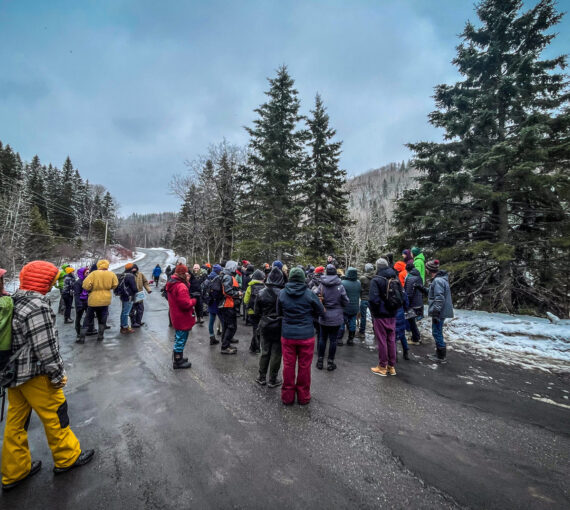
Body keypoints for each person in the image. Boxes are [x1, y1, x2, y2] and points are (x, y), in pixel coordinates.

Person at [1, 261, 94, 491]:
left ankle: (14, 470)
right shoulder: (37, 306)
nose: (53, 284)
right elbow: (45, 347)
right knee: (57, 414)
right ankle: (67, 457)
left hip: (14, 375)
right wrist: (57, 373)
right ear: (42, 281)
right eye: (51, 280)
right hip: (35, 374)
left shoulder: (14, 299)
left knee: (16, 422)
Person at [278, 267, 324, 405]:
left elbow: (278, 311)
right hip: (306, 335)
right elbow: (321, 311)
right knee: (304, 367)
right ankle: (303, 397)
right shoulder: (309, 294)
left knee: (288, 366)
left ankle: (287, 396)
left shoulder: (282, 293)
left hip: (288, 335)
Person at [368, 258, 401, 376]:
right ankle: (391, 366)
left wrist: (374, 310)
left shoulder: (376, 280)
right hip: (392, 313)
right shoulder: (394, 278)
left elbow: (373, 299)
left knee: (382, 340)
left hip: (380, 314)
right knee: (391, 339)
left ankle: (382, 366)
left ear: (377, 267)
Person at [313, 264, 349, 371]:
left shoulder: (322, 285)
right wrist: (339, 306)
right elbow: (346, 301)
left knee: (322, 338)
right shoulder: (340, 286)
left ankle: (320, 361)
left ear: (326, 272)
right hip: (336, 317)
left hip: (324, 315)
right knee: (333, 340)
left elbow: (314, 295)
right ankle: (330, 362)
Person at [254, 266, 285, 387]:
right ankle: (272, 379)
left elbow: (256, 312)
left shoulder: (261, 292)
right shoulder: (283, 293)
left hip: (265, 324)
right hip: (279, 325)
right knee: (276, 353)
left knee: (265, 351)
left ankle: (261, 377)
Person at [80, 259, 118, 343]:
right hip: (106, 299)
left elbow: (85, 285)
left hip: (94, 299)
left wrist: (91, 289)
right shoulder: (111, 274)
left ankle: (82, 337)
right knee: (103, 316)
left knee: (88, 317)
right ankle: (100, 335)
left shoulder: (93, 274)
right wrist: (108, 288)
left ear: (99, 265)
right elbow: (115, 284)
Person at [166, 264, 196, 369]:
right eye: (186, 272)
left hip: (176, 315)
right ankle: (178, 361)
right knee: (181, 338)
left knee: (179, 337)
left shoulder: (173, 283)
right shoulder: (181, 286)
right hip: (181, 316)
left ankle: (179, 357)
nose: (188, 274)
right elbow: (185, 304)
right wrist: (194, 300)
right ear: (183, 273)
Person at [425, 259, 454, 362]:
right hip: (440, 310)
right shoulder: (440, 279)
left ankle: (441, 356)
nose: (425, 270)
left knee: (436, 332)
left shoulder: (438, 281)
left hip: (439, 311)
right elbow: (435, 294)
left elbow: (439, 298)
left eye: (426, 268)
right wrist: (424, 290)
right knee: (437, 331)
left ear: (430, 269)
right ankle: (439, 353)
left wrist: (436, 311)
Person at [218, 260, 241, 354]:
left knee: (227, 326)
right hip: (228, 305)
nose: (236, 268)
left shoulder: (227, 275)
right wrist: (238, 293)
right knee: (231, 326)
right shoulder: (228, 277)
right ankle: (225, 347)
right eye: (235, 266)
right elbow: (227, 291)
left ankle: (225, 343)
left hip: (228, 305)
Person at [338, 267, 361, 346]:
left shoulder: (343, 283)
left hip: (345, 307)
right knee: (352, 323)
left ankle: (340, 339)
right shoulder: (358, 283)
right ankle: (350, 339)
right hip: (355, 307)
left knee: (342, 323)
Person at [243, 269, 265, 353]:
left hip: (252, 311)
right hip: (262, 312)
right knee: (258, 329)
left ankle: (256, 348)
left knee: (255, 329)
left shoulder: (250, 287)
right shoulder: (264, 287)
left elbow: (245, 301)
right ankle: (254, 346)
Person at [404, 260, 424, 345]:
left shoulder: (409, 278)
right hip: (419, 301)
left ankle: (416, 338)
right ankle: (416, 336)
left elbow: (408, 293)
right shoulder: (419, 276)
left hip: (412, 303)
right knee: (412, 321)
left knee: (411, 321)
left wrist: (406, 303)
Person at [393, 262, 410, 360]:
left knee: (393, 335)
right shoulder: (402, 290)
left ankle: (394, 353)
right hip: (401, 314)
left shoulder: (391, 289)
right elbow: (406, 302)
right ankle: (406, 350)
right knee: (402, 334)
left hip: (394, 314)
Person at [203, 264, 223, 345]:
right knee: (223, 321)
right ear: (218, 270)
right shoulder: (218, 278)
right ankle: (225, 340)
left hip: (210, 302)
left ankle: (212, 337)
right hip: (217, 302)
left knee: (211, 321)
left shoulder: (208, 277)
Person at [73, 267, 90, 341]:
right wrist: (79, 304)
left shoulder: (88, 280)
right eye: (86, 273)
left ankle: (89, 330)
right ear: (82, 273)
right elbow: (76, 295)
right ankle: (78, 333)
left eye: (89, 272)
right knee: (78, 318)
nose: (88, 274)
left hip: (87, 302)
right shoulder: (78, 282)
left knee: (89, 316)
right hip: (80, 302)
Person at [358, 263, 374, 339]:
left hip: (364, 299)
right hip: (372, 299)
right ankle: (376, 330)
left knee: (363, 316)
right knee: (374, 316)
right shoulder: (375, 278)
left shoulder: (362, 278)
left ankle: (362, 332)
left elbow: (359, 288)